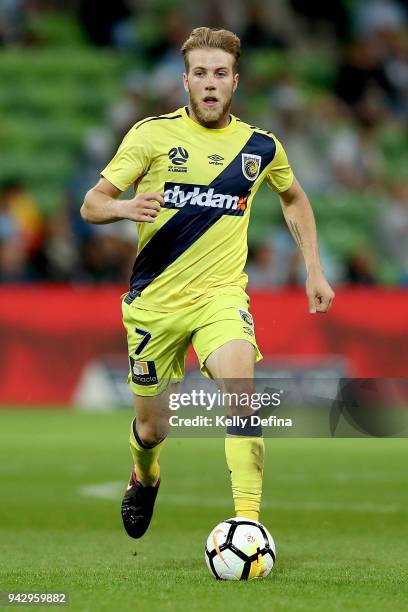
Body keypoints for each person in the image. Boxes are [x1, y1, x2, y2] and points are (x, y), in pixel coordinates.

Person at [81, 27, 334, 539]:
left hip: (220, 298)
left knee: (241, 392)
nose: (210, 83)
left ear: (235, 82)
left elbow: (294, 198)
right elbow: (92, 203)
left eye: (220, 73)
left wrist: (314, 268)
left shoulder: (260, 147)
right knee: (153, 429)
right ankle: (145, 475)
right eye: (201, 74)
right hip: (155, 304)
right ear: (186, 81)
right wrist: (126, 207)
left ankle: (248, 524)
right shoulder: (151, 136)